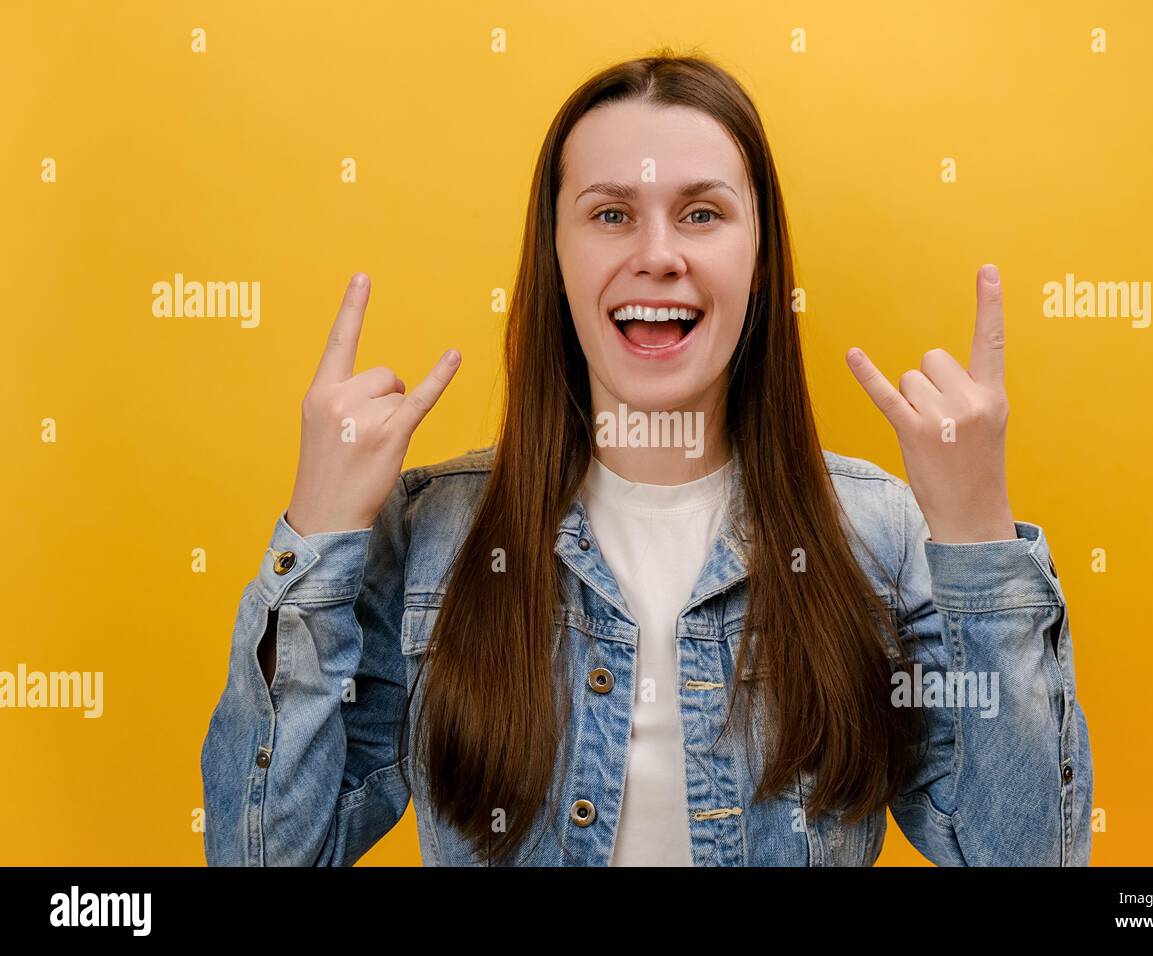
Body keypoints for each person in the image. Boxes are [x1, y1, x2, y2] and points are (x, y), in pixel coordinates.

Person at [200, 50, 1092, 867]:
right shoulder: (437, 533)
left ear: (760, 255)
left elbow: (1024, 859)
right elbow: (267, 858)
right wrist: (314, 537)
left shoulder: (876, 534)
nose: (657, 255)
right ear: (556, 252)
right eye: (611, 214)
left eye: (702, 213)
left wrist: (978, 541)